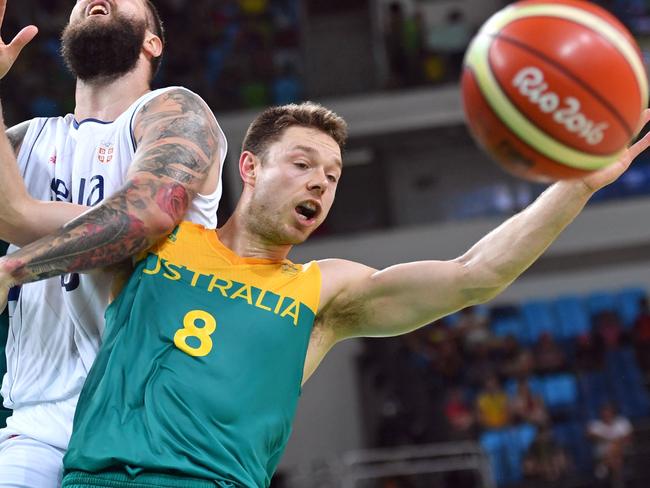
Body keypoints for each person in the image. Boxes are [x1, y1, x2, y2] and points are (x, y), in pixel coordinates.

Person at [0, 102, 648, 487]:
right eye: (304, 163)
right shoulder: (156, 238)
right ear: (249, 168)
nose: (320, 183)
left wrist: (577, 187)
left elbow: (474, 274)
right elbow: (17, 210)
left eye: (333, 176)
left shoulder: (323, 290)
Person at [0, 0, 227, 486]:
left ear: (153, 41)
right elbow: (8, 214)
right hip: (38, 420)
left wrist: (17, 264)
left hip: (147, 412)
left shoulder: (173, 111)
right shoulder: (28, 141)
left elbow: (148, 214)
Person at [588, 404, 633, 485]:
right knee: (615, 457)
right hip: (602, 453)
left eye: (608, 412)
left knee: (616, 449)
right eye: (604, 413)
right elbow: (590, 435)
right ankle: (617, 483)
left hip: (622, 450)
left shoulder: (622, 422)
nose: (606, 414)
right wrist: (610, 440)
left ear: (613, 413)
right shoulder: (595, 425)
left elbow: (628, 438)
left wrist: (614, 442)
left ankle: (604, 466)